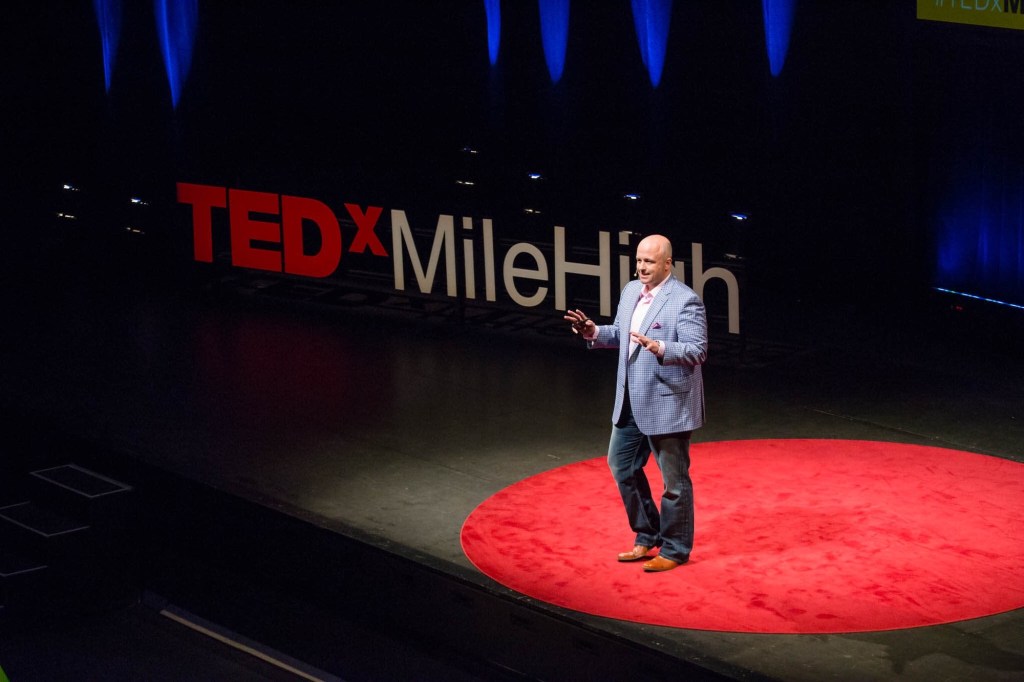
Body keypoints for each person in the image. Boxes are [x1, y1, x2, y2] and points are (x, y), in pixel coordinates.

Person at [564, 234, 707, 572]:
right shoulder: (630, 291)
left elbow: (697, 350)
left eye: (650, 262)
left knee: (674, 481)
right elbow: (621, 333)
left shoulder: (685, 301)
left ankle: (675, 549)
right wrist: (592, 332)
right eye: (639, 261)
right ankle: (648, 535)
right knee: (621, 465)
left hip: (668, 403)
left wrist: (660, 348)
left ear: (668, 264)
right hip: (630, 398)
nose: (642, 267)